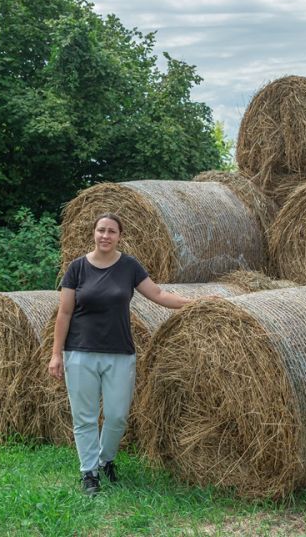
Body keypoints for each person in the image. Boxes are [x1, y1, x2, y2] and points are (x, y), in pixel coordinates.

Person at [48, 212, 191, 496]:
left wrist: (193, 303)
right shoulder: (76, 269)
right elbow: (64, 313)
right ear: (93, 233)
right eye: (101, 230)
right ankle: (89, 472)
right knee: (84, 417)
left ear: (119, 236)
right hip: (80, 352)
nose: (105, 236)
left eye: (111, 231)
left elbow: (159, 295)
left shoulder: (129, 266)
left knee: (117, 416)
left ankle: (105, 458)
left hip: (120, 353)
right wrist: (56, 355)